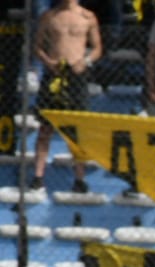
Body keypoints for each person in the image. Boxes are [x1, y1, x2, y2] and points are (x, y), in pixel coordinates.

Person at [31, 0, 102, 195]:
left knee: (76, 129)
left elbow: (97, 48)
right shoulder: (50, 16)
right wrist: (48, 62)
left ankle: (79, 178)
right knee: (45, 127)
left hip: (76, 74)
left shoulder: (87, 17)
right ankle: (38, 176)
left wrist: (85, 61)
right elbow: (37, 46)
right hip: (54, 73)